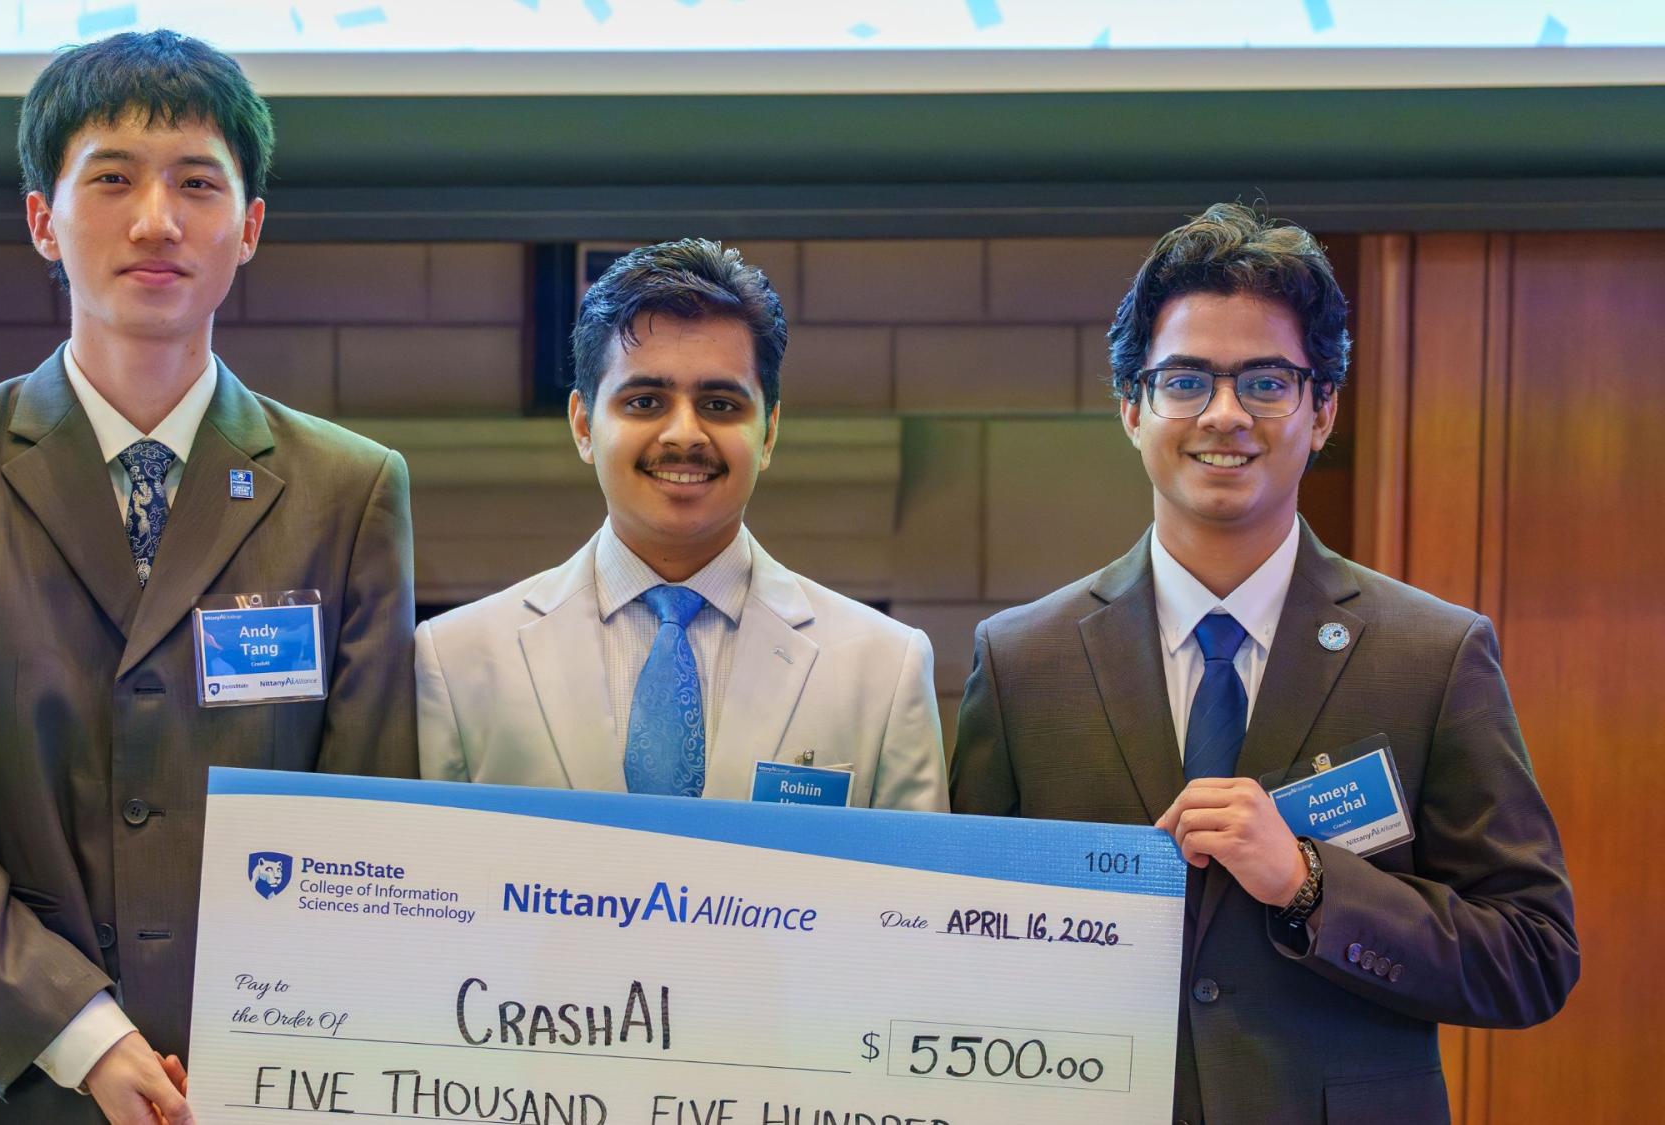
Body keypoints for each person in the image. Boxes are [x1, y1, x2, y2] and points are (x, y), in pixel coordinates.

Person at [0, 31, 416, 1125]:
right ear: (42, 220)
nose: (156, 220)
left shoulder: (350, 491)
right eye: (111, 179)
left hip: (267, 1087)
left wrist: (272, 1051)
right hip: (8, 1083)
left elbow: (365, 823)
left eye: (198, 182)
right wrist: (83, 1032)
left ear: (247, 227)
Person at [949, 203, 1578, 1123]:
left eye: (1268, 382)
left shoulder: (1434, 654)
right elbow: (965, 946)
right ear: (1132, 407)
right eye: (1186, 380)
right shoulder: (1020, 662)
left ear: (1322, 410)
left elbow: (1533, 955)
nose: (1226, 415)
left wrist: (1312, 884)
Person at [416, 238, 945, 811]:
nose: (684, 435)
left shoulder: (885, 668)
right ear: (583, 426)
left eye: (720, 404)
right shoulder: (455, 660)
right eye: (645, 402)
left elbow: (916, 898)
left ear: (767, 434)